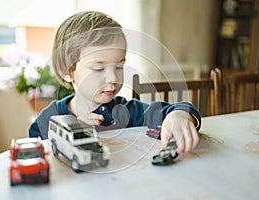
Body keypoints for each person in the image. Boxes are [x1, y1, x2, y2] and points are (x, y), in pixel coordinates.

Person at [29, 11, 201, 154]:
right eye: (98, 68)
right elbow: (35, 150)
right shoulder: (49, 118)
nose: (113, 78)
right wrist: (68, 131)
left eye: (119, 67)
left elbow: (175, 110)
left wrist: (179, 116)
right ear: (67, 72)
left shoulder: (127, 111)